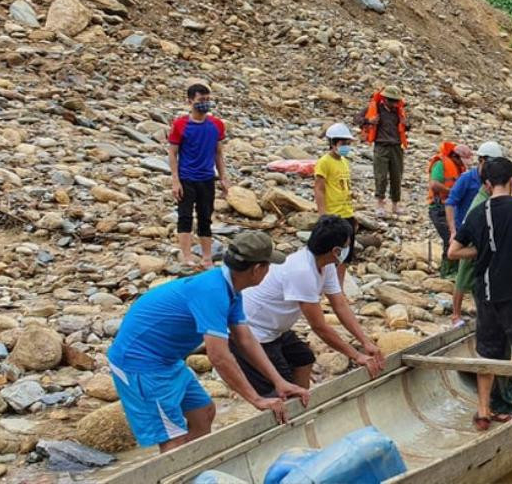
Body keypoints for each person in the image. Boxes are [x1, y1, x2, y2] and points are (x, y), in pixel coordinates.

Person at [107, 231, 310, 453]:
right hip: (140, 364)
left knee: (203, 412)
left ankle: (196, 469)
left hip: (167, 360)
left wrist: (279, 381)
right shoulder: (212, 291)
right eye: (268, 265)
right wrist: (256, 399)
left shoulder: (231, 289)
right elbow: (219, 357)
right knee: (172, 439)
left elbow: (245, 340)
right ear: (257, 269)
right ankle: (180, 472)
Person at [447, 157, 512, 431]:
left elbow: (453, 252)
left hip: (486, 292)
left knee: (488, 352)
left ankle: (482, 411)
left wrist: (481, 251)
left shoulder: (477, 213)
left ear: (488, 184)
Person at [233, 216, 385, 396]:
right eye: (347, 245)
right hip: (253, 333)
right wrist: (356, 355)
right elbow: (319, 327)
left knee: (304, 358)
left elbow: (340, 304)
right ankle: (288, 413)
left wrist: (365, 342)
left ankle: (303, 406)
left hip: (275, 329)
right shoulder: (302, 271)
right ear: (336, 250)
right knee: (280, 389)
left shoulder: (326, 264)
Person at [168, 83, 230, 269]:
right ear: (190, 101)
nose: (205, 103)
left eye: (207, 100)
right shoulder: (180, 124)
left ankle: (207, 257)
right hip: (187, 177)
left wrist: (223, 177)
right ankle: (186, 256)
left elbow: (218, 153)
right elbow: (173, 153)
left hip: (206, 178)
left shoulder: (216, 125)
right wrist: (175, 180)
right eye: (201, 100)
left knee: (205, 217)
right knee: (185, 217)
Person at [446, 141, 503, 325]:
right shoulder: (467, 179)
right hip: (467, 231)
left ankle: (484, 311)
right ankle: (456, 314)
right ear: (481, 160)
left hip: (485, 230)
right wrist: (453, 231)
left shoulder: (495, 180)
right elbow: (450, 202)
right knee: (464, 273)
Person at [314, 123, 358, 286]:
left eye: (348, 143)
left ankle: (338, 288)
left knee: (346, 255)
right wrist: (323, 214)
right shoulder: (324, 162)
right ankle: (327, 286)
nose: (346, 146)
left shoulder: (344, 162)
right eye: (343, 143)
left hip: (347, 212)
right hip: (333, 214)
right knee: (332, 254)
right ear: (333, 143)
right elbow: (319, 188)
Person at [357, 85, 409, 218]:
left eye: (396, 101)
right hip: (381, 146)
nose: (394, 103)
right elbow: (357, 119)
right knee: (381, 176)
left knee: (397, 176)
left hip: (397, 147)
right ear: (385, 99)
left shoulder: (399, 111)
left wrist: (406, 124)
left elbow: (407, 127)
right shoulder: (374, 109)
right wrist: (369, 121)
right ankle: (380, 204)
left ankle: (395, 204)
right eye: (391, 100)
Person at [427, 142, 474, 278]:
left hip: (452, 207)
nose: (463, 164)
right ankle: (448, 272)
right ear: (455, 156)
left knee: (456, 238)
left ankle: (452, 270)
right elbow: (434, 184)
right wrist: (452, 192)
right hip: (439, 207)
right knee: (451, 238)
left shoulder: (459, 169)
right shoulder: (440, 164)